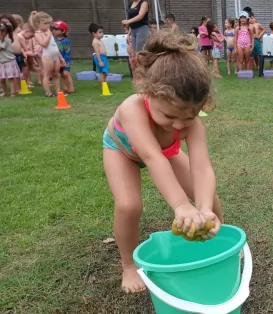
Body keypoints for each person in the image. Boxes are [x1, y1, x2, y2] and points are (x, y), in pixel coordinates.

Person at [102, 31, 222, 293]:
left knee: (209, 198)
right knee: (129, 205)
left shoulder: (194, 124)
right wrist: (181, 206)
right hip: (123, 150)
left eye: (189, 118)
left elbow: (202, 168)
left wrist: (203, 209)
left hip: (165, 150)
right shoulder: (131, 109)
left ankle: (219, 241)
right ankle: (129, 266)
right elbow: (152, 157)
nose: (179, 124)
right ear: (147, 91)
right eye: (169, 116)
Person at [30, 11, 66, 97]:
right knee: (47, 74)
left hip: (55, 56)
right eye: (45, 23)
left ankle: (58, 92)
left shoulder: (48, 32)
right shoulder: (37, 34)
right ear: (37, 24)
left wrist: (61, 58)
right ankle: (48, 92)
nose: (48, 25)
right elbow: (44, 44)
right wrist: (48, 36)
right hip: (47, 57)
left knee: (56, 75)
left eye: (49, 23)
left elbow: (55, 46)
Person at [52, 20, 75, 94]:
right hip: (57, 60)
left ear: (63, 31)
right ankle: (65, 88)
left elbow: (67, 52)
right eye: (53, 29)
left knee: (66, 74)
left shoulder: (66, 41)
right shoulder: (53, 40)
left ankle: (71, 87)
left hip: (66, 60)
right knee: (61, 74)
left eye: (56, 29)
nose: (54, 31)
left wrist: (64, 60)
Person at [0, 22, 19, 97]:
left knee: (10, 78)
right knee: (1, 79)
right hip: (1, 62)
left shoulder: (7, 40)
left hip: (9, 62)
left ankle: (13, 93)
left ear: (4, 32)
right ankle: (4, 92)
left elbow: (1, 47)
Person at [16, 23, 35, 88]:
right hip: (19, 56)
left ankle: (22, 85)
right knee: (23, 72)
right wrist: (32, 53)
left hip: (19, 55)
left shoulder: (17, 35)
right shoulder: (21, 37)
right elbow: (26, 49)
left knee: (22, 72)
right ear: (26, 31)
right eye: (31, 36)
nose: (30, 38)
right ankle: (22, 85)